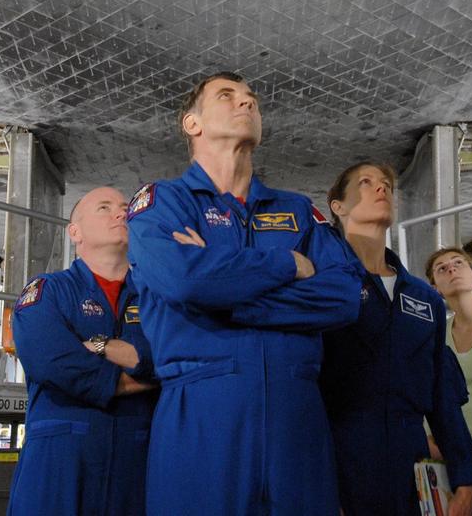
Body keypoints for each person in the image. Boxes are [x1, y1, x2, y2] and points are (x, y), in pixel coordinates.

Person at [126, 72, 363, 515]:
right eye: (227, 96)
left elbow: (344, 297)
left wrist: (222, 294)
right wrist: (286, 265)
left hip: (297, 418)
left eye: (252, 98)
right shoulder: (162, 202)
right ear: (191, 124)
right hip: (203, 412)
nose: (247, 103)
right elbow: (185, 280)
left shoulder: (296, 211)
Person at [321, 162, 472, 516]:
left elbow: (441, 392)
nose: (382, 189)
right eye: (366, 183)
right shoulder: (324, 282)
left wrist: (466, 474)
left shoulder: (423, 298)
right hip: (340, 458)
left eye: (386, 185)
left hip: (412, 465)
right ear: (339, 206)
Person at [7, 186, 157, 516]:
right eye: (104, 208)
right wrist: (149, 375)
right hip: (59, 463)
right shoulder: (47, 292)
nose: (121, 213)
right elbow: (54, 363)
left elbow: (182, 357)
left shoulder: (157, 300)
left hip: (137, 463)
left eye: (124, 207)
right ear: (74, 231)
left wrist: (100, 347)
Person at [427, 246, 472, 435]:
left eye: (458, 263)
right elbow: (431, 392)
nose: (451, 269)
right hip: (456, 447)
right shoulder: (435, 336)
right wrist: (429, 436)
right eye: (441, 269)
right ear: (435, 287)